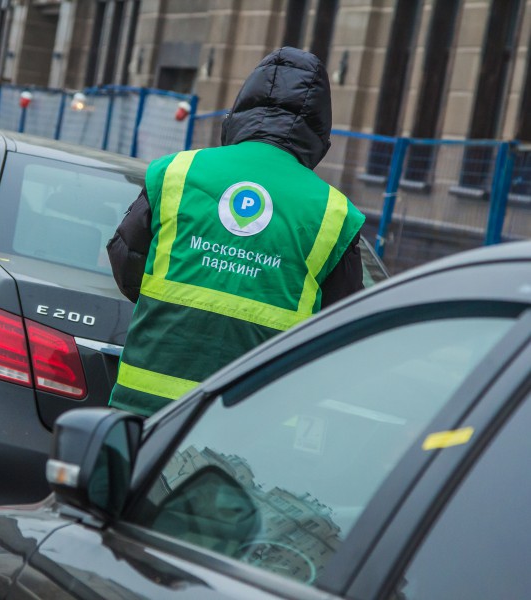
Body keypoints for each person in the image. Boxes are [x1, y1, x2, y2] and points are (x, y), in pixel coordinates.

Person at [107, 47, 366, 418]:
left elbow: (126, 260)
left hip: (144, 405)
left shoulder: (178, 172)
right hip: (250, 424)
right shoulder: (333, 212)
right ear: (320, 132)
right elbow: (340, 325)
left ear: (240, 111)